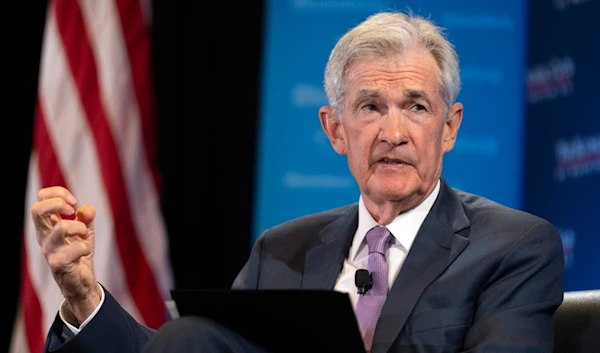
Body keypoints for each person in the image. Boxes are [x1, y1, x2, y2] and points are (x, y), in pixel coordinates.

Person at [33, 10, 564, 353]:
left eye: (417, 107)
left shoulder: (513, 247)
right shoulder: (283, 250)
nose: (393, 132)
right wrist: (84, 298)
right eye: (370, 107)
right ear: (335, 129)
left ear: (449, 128)